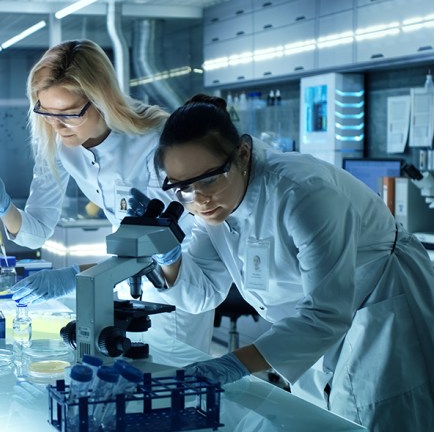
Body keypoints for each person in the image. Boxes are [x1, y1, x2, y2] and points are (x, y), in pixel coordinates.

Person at [153, 94, 434, 431]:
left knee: (373, 416)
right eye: (183, 188)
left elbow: (326, 313)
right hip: (308, 328)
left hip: (379, 305)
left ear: (242, 154)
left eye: (209, 179)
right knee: (319, 417)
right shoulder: (211, 207)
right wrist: (169, 258)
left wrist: (234, 364)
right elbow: (203, 294)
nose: (198, 199)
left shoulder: (302, 193)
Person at [0, 39, 214, 356]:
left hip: (178, 285)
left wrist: (74, 277)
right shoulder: (59, 142)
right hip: (121, 281)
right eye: (45, 112)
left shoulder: (157, 141)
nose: (56, 126)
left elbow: (163, 245)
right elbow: (36, 230)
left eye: (70, 114)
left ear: (102, 100)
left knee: (176, 386)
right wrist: (3, 206)